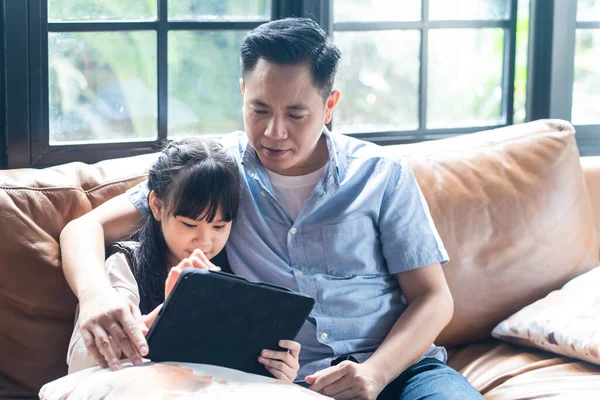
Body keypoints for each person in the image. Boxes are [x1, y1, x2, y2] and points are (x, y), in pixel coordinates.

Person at [60, 17, 484, 399]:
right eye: (258, 109)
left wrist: (375, 373)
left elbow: (433, 298)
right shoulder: (216, 170)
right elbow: (83, 228)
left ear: (330, 105)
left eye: (296, 114)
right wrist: (96, 296)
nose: (273, 133)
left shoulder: (382, 175)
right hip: (280, 383)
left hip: (401, 371)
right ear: (243, 92)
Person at [65, 138, 301, 382]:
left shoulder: (235, 273)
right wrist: (166, 316)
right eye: (189, 224)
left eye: (219, 226)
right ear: (156, 206)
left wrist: (277, 372)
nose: (205, 241)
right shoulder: (124, 266)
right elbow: (82, 367)